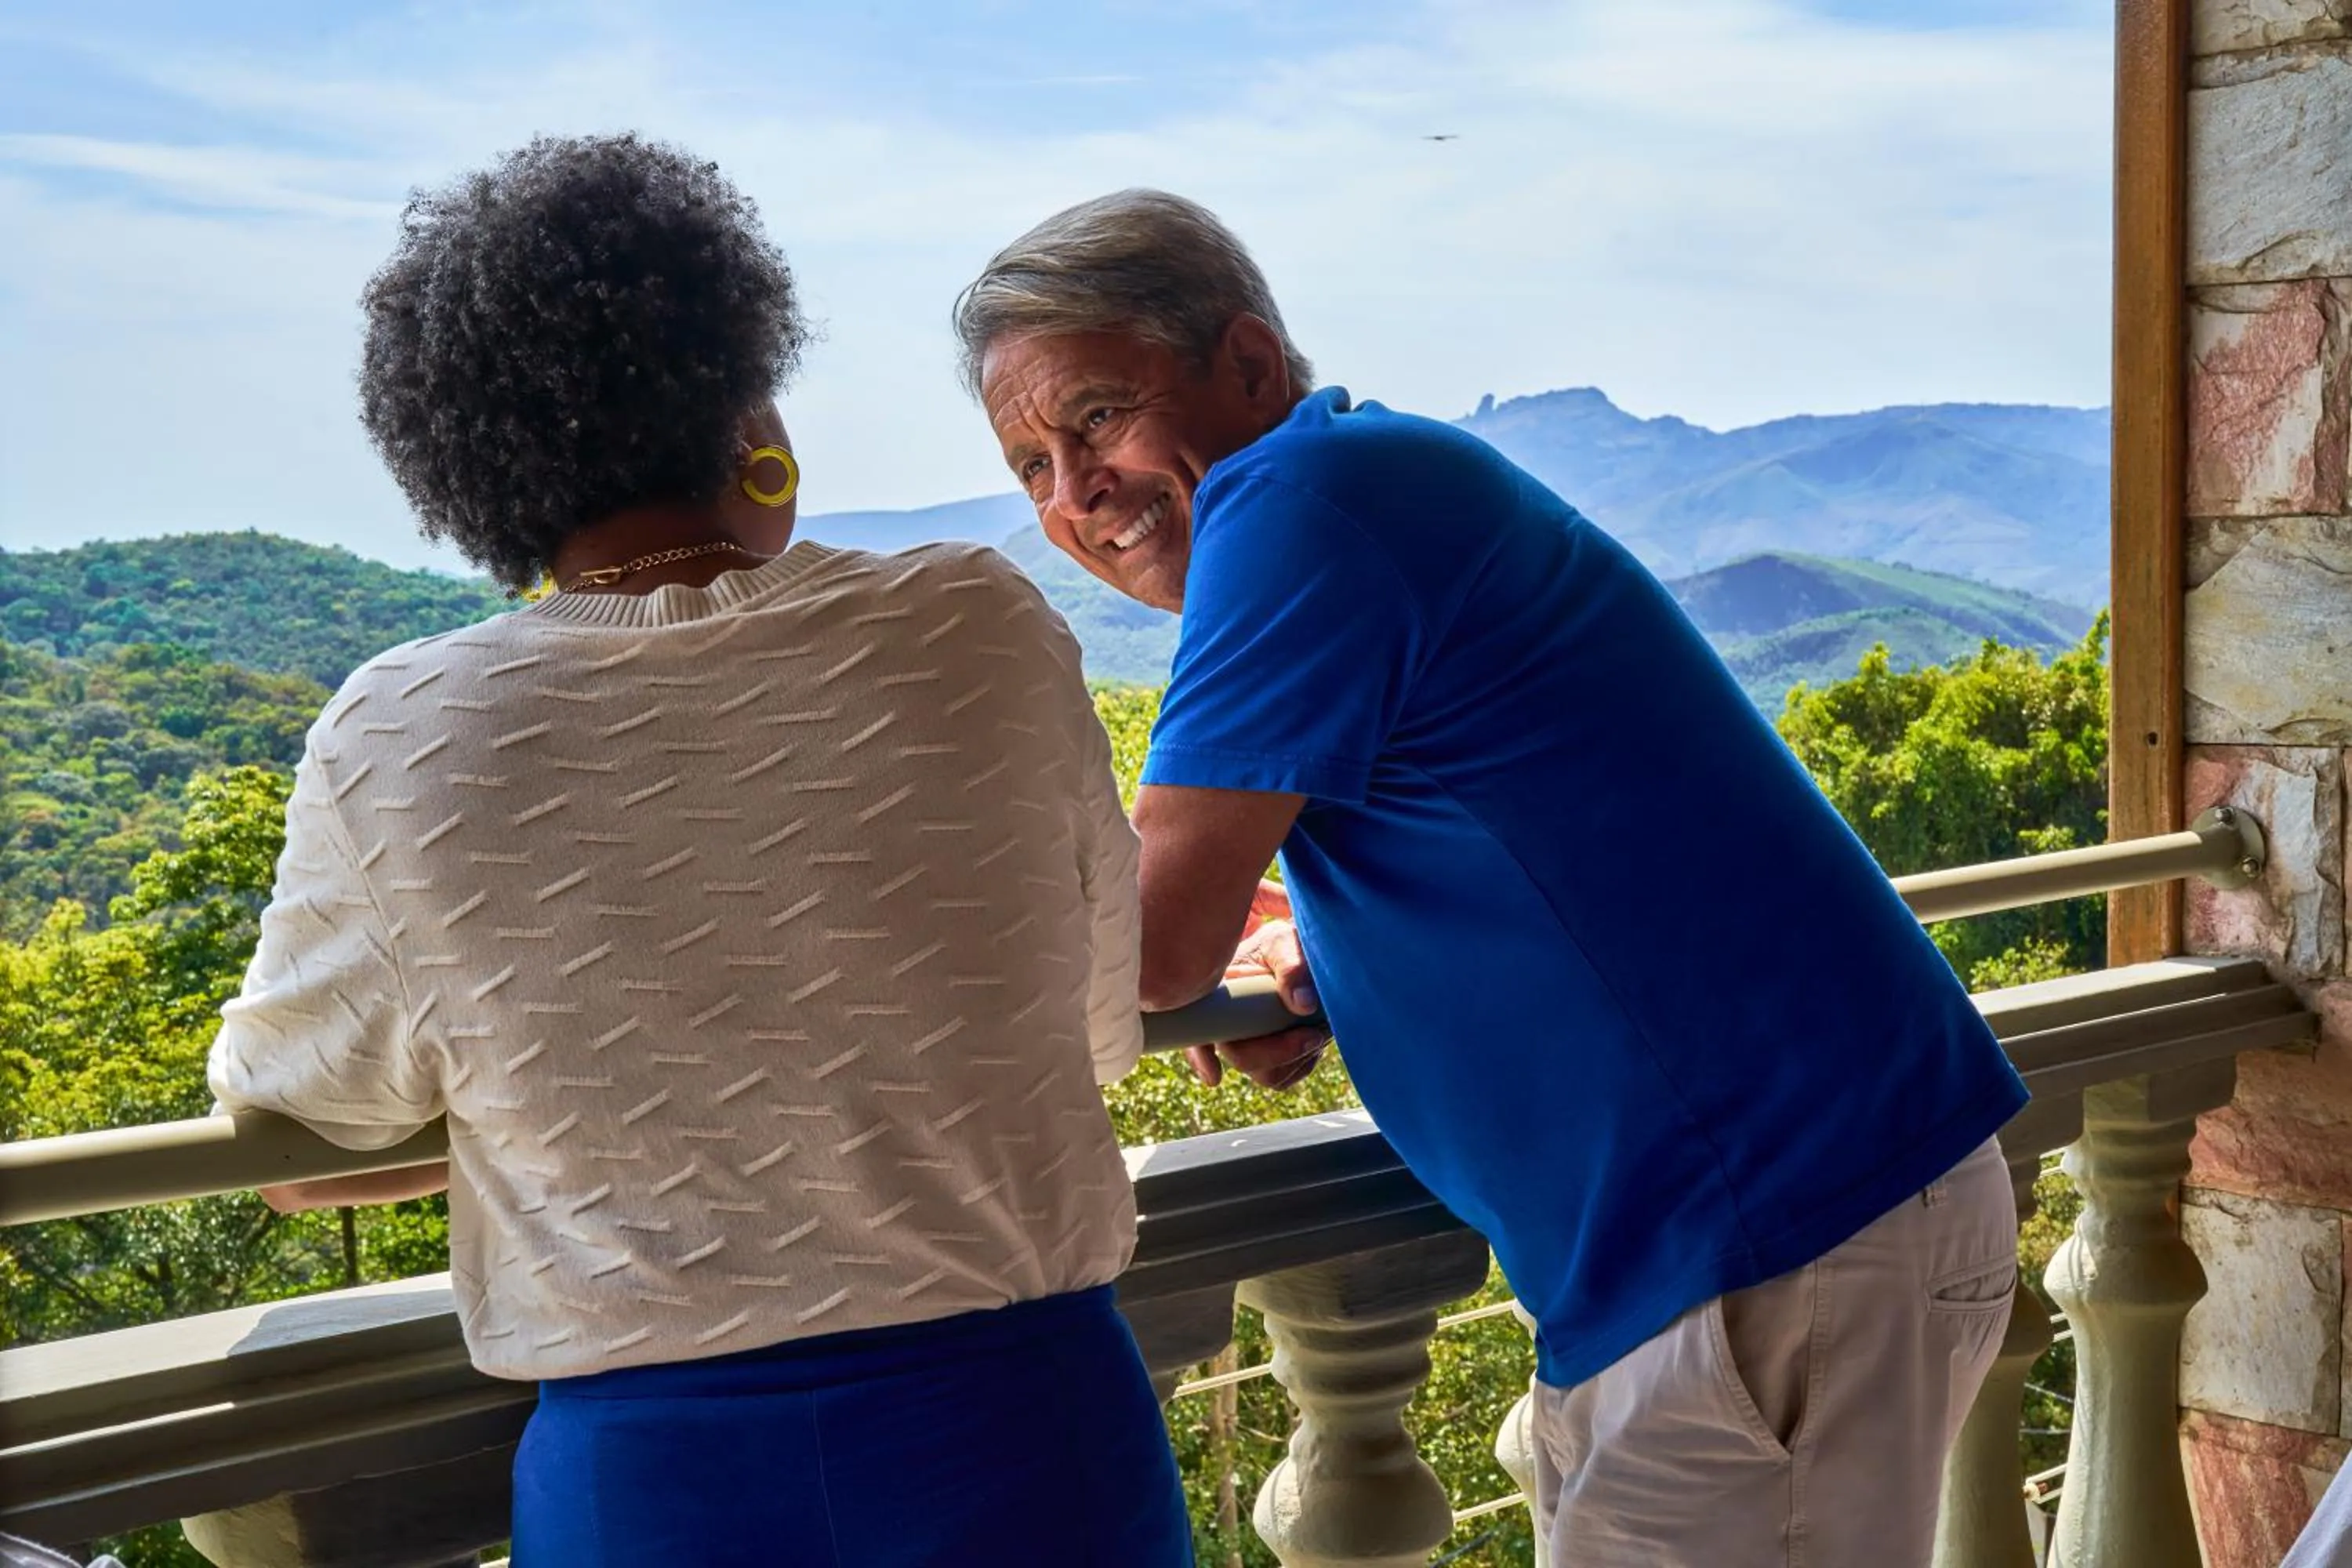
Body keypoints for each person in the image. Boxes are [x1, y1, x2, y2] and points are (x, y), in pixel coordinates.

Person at [957, 188, 2031, 1568]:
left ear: (1245, 364)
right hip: (1758, 1242)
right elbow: (1510, 825)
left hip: (1766, 1245)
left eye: (1096, 416)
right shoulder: (1363, 479)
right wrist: (1335, 949)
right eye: (1029, 467)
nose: (1073, 490)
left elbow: (1154, 949)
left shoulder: (1298, 497)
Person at [207, 137, 1192, 1568]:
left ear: (469, 463)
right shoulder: (979, 628)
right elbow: (1087, 1033)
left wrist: (574, 1125)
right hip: (1027, 1435)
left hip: (654, 1492)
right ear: (743, 394)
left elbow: (299, 1141)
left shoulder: (406, 735)